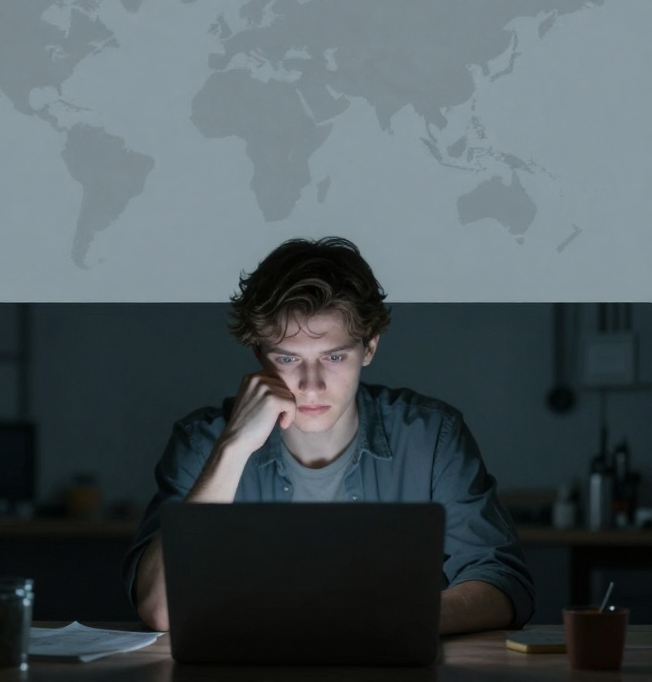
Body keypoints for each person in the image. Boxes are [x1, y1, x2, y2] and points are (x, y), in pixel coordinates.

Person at [123, 237, 534, 635]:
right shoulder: (202, 442)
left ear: (369, 348)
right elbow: (160, 608)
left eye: (334, 356)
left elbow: (501, 581)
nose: (311, 385)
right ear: (259, 354)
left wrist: (395, 620)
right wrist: (232, 449)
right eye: (288, 358)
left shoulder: (432, 437)